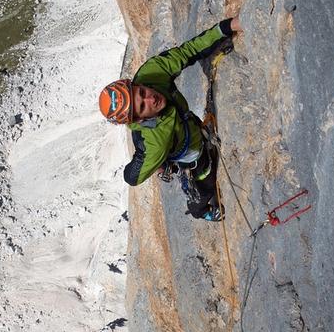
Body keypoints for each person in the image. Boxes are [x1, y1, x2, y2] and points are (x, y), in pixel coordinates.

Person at [99, 16, 243, 221]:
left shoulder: (151, 73)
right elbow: (131, 177)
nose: (151, 98)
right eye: (142, 106)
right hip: (193, 157)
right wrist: (151, 159)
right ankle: (201, 212)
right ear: (138, 120)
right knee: (205, 189)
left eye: (140, 91)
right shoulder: (154, 143)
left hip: (190, 128)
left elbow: (189, 51)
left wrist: (228, 26)